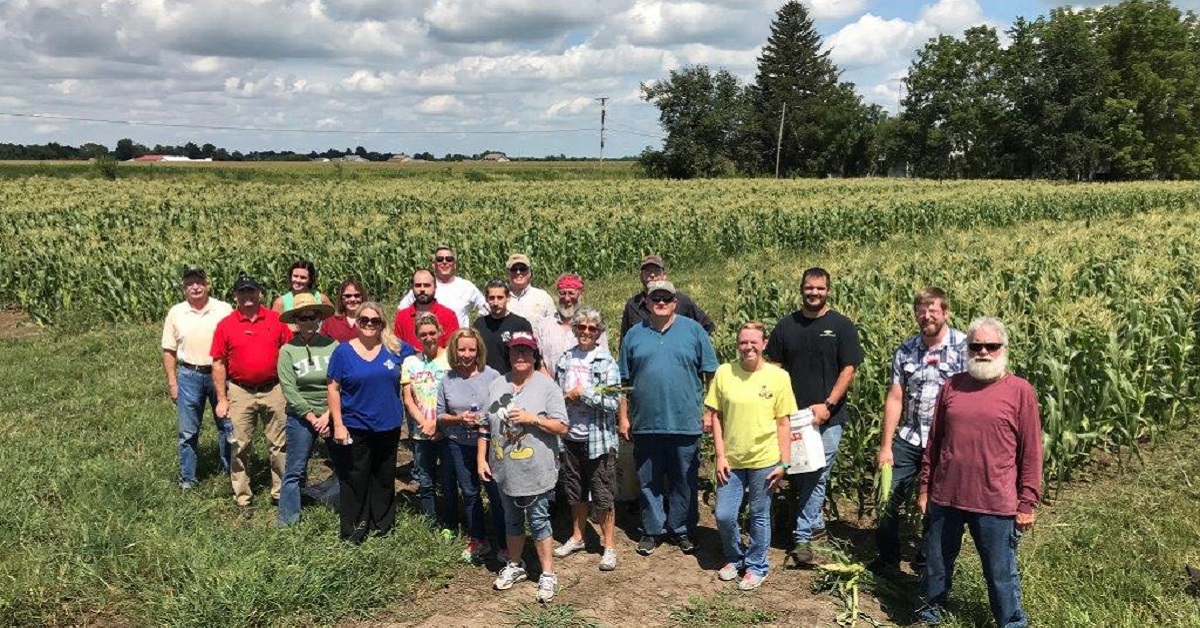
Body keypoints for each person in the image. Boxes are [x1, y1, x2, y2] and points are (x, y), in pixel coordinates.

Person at [917, 317, 1042, 627]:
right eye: (976, 346)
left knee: (1000, 571)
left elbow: (1031, 452)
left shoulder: (1020, 391)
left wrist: (1027, 502)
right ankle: (930, 615)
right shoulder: (952, 386)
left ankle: (1011, 623)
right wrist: (925, 488)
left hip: (995, 501)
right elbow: (935, 442)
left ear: (1003, 348)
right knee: (936, 565)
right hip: (947, 496)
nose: (983, 352)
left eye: (991, 346)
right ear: (968, 349)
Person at [764, 267, 862, 565]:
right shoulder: (786, 326)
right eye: (809, 288)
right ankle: (813, 525)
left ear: (828, 290)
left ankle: (802, 536)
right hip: (792, 418)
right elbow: (775, 368)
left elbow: (848, 370)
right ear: (801, 289)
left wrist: (828, 404)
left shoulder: (841, 326)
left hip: (828, 417)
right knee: (797, 473)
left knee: (817, 473)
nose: (814, 293)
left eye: (820, 288)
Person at [618, 280, 718, 556]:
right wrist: (624, 417)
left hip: (685, 421)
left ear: (675, 302)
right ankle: (652, 529)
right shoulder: (634, 335)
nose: (660, 302)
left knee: (684, 478)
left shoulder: (694, 331)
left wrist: (710, 411)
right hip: (645, 422)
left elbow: (712, 374)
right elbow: (623, 382)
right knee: (648, 479)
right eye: (655, 298)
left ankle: (682, 529)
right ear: (647, 303)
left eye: (666, 298)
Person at [873, 287, 967, 574]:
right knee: (885, 495)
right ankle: (888, 558)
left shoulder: (964, 347)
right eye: (921, 311)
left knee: (939, 503)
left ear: (945, 313)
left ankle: (927, 559)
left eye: (933, 310)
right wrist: (886, 446)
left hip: (947, 440)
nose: (926, 316)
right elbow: (895, 397)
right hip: (910, 437)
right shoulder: (906, 350)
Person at [706, 321, 798, 590]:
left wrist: (784, 462)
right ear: (737, 345)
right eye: (743, 342)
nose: (748, 347)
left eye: (753, 342)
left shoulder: (779, 377)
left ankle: (757, 565)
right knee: (724, 514)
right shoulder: (724, 373)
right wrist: (720, 455)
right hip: (732, 459)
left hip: (764, 459)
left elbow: (784, 422)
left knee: (759, 514)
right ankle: (735, 557)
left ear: (764, 344)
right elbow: (716, 416)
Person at [480, 332, 569, 602]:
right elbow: (485, 425)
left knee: (539, 520)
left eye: (526, 351)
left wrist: (533, 419)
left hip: (536, 468)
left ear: (534, 355)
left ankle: (548, 573)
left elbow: (562, 426)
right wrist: (481, 458)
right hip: (504, 469)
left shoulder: (547, 387)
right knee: (512, 520)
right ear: (508, 354)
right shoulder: (497, 384)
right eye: (515, 350)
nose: (520, 355)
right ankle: (515, 564)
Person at [328, 302, 416, 544]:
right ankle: (355, 529)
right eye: (364, 320)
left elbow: (423, 358)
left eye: (375, 321)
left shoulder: (395, 348)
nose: (369, 324)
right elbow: (333, 389)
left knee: (384, 477)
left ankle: (382, 527)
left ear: (382, 324)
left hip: (388, 424)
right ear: (357, 323)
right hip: (355, 425)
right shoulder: (343, 352)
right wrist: (338, 424)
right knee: (355, 478)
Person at [210, 274, 293, 514]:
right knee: (239, 445)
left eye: (251, 291)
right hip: (240, 390)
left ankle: (280, 493)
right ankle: (242, 496)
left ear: (260, 293)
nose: (247, 296)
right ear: (235, 296)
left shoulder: (275, 320)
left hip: (274, 388)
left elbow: (288, 352)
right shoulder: (226, 325)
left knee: (279, 444)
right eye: (242, 292)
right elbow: (218, 363)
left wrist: (289, 388)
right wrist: (222, 399)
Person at [551, 307, 622, 571]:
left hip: (598, 440)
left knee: (603, 494)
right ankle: (578, 536)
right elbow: (557, 396)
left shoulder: (606, 362)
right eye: (581, 327)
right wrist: (565, 399)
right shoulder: (565, 359)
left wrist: (584, 393)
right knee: (575, 491)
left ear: (599, 332)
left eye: (592, 328)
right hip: (570, 436)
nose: (586, 332)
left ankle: (609, 546)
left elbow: (613, 401)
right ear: (575, 329)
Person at [437, 328, 506, 563]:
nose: (467, 354)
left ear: (479, 351)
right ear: (454, 351)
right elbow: (440, 415)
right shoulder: (448, 379)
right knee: (469, 492)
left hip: (490, 443)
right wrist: (458, 418)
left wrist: (485, 420)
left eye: (471, 349)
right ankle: (478, 538)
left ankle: (505, 542)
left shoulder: (492, 376)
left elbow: (504, 407)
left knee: (496, 493)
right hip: (459, 443)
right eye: (462, 349)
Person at [161, 266, 233, 490]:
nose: (195, 287)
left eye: (199, 282)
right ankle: (188, 479)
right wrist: (172, 383)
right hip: (189, 375)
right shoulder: (176, 313)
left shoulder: (224, 309)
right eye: (190, 283)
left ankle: (229, 473)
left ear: (207, 285)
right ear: (184, 288)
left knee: (227, 426)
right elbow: (169, 350)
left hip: (220, 373)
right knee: (188, 431)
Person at [276, 293, 338, 526]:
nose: (308, 322)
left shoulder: (332, 346)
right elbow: (289, 388)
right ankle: (288, 521)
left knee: (344, 464)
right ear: (295, 321)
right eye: (303, 318)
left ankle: (344, 510)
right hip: (301, 416)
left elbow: (339, 382)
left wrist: (328, 415)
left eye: (312, 317)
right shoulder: (287, 351)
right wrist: (312, 417)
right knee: (294, 469)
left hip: (331, 412)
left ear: (319, 318)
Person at [401, 313, 451, 527]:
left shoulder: (450, 358)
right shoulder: (410, 362)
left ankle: (451, 522)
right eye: (423, 334)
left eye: (432, 332)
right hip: (421, 431)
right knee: (425, 480)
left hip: (447, 430)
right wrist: (425, 423)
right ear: (417, 336)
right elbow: (408, 399)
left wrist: (438, 425)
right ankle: (430, 522)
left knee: (449, 480)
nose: (428, 337)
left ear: (440, 332)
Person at [618, 254, 714, 338]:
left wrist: (691, 347)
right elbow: (625, 342)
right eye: (647, 271)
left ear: (664, 276)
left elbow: (707, 326)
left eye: (656, 271)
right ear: (640, 277)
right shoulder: (632, 305)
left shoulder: (681, 300)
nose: (652, 275)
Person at [534, 273, 609, 373]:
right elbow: (537, 360)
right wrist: (549, 381)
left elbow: (604, 360)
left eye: (571, 293)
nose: (567, 298)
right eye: (562, 293)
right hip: (548, 382)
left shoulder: (593, 325)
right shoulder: (543, 326)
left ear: (581, 294)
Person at [398, 246, 487, 328]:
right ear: (433, 264)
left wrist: (474, 329)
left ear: (455, 264)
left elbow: (485, 308)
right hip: (430, 337)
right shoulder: (426, 286)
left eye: (449, 259)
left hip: (457, 338)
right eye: (440, 259)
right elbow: (401, 310)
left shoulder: (466, 287)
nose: (444, 262)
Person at [474, 279, 533, 375]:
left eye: (500, 298)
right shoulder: (479, 324)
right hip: (485, 379)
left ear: (508, 298)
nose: (495, 303)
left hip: (512, 379)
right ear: (486, 299)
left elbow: (530, 356)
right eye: (491, 298)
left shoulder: (521, 325)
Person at [395, 269, 459, 349]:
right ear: (412, 288)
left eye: (427, 285)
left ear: (435, 287)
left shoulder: (448, 315)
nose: (422, 289)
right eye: (418, 285)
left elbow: (452, 350)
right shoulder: (402, 317)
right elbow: (397, 348)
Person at [504, 253, 555, 323]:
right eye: (514, 269)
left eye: (522, 269)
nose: (518, 272)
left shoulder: (543, 297)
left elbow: (554, 324)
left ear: (530, 272)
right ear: (507, 273)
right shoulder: (498, 297)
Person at [321, 278, 367, 342]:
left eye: (357, 295)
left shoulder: (371, 320)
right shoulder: (330, 321)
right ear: (341, 299)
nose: (353, 299)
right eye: (348, 296)